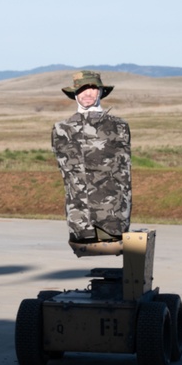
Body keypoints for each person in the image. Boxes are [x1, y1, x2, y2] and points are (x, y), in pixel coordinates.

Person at [51, 70, 132, 256]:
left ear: (101, 92)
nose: (87, 93)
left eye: (93, 88)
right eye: (82, 89)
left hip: (113, 215)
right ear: (75, 93)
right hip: (79, 216)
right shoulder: (61, 129)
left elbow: (123, 170)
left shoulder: (118, 126)